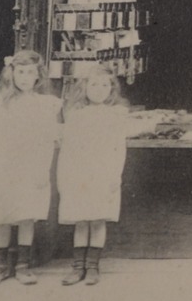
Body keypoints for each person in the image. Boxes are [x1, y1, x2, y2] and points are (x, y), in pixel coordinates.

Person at [0, 50, 63, 286]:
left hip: (30, 166)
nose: (24, 78)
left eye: (30, 73)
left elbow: (49, 141)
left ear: (38, 77)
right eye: (20, 72)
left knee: (26, 215)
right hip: (3, 166)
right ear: (11, 74)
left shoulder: (45, 105)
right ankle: (1, 266)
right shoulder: (0, 104)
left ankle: (23, 265)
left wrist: (42, 170)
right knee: (2, 216)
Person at [56, 70, 154, 286]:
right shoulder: (76, 114)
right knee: (81, 220)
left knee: (98, 219)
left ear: (111, 89)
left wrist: (114, 175)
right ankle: (77, 267)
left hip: (103, 172)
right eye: (93, 85)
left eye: (104, 86)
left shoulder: (116, 114)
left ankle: (93, 267)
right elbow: (68, 149)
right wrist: (64, 177)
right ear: (84, 88)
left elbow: (118, 148)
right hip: (79, 173)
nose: (99, 90)